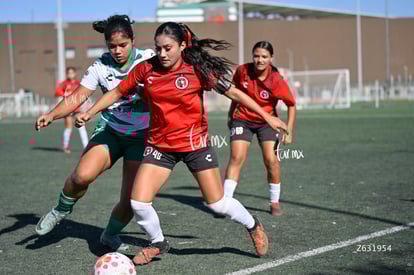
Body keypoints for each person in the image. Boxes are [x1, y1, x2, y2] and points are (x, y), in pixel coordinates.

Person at [76, 22, 288, 264]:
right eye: (158, 49)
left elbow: (234, 93)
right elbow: (115, 93)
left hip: (195, 145)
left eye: (168, 48)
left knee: (217, 204)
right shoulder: (145, 69)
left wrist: (268, 116)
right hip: (160, 147)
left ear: (183, 46)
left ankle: (253, 224)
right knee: (139, 203)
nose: (163, 54)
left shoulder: (197, 70)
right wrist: (90, 112)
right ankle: (158, 242)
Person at [34, 15, 155, 251]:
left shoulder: (149, 59)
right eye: (112, 46)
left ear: (133, 40)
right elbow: (79, 96)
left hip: (141, 136)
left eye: (123, 45)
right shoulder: (100, 65)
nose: (118, 51)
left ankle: (110, 234)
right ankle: (60, 210)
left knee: (132, 199)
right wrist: (52, 115)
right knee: (82, 176)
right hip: (111, 129)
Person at [223, 41, 296, 216]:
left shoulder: (276, 80)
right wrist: (230, 115)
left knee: (271, 159)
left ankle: (274, 201)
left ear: (271, 58)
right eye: (256, 56)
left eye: (264, 56)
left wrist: (289, 130)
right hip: (242, 120)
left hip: (267, 122)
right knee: (236, 157)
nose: (260, 60)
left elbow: (291, 105)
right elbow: (235, 95)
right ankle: (225, 202)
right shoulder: (242, 71)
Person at [55, 66, 89, 153]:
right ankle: (65, 146)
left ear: (75, 73)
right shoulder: (64, 83)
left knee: (81, 126)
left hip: (77, 109)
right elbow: (57, 92)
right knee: (68, 128)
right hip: (67, 109)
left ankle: (86, 147)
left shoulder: (79, 83)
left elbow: (84, 92)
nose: (70, 74)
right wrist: (66, 94)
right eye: (68, 73)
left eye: (72, 73)